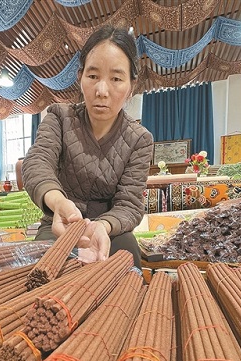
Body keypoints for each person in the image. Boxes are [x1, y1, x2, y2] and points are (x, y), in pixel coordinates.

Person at [22, 26, 154, 268]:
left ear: (131, 86)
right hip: (60, 225)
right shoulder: (59, 117)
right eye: (93, 76)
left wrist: (103, 225)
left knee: (128, 260)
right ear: (80, 77)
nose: (102, 91)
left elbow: (129, 204)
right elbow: (37, 163)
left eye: (116, 79)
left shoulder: (139, 139)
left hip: (110, 229)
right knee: (42, 268)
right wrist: (58, 203)